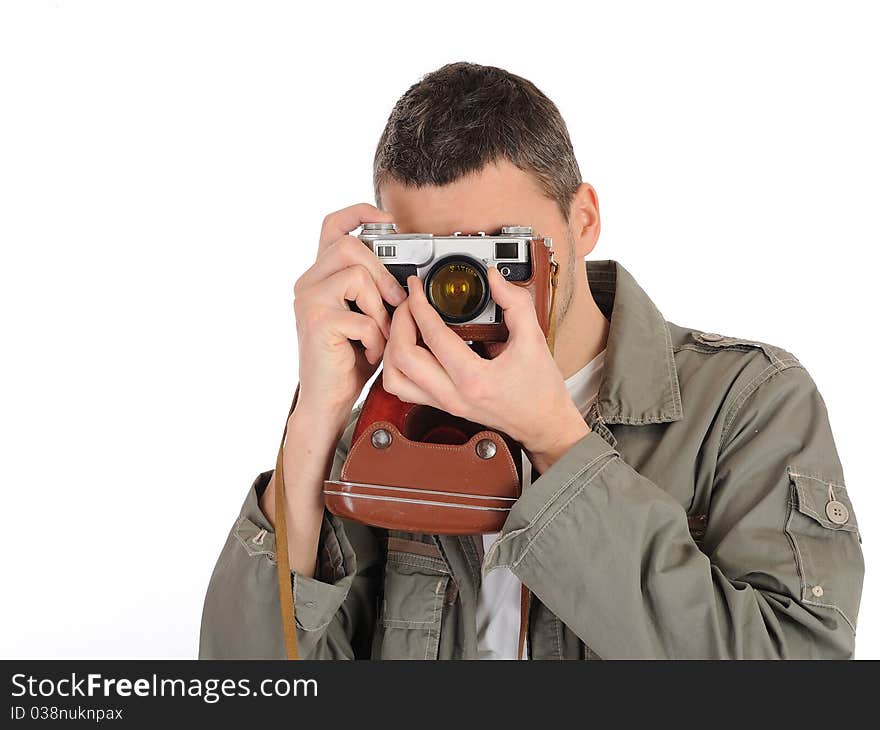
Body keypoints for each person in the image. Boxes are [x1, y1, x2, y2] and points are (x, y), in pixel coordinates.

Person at [198, 62, 864, 659]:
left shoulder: (748, 401)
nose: (468, 289)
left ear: (583, 220)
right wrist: (315, 418)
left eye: (499, 249)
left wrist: (557, 440)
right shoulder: (389, 422)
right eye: (429, 258)